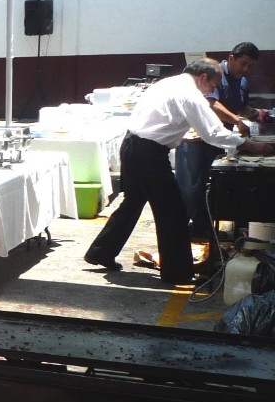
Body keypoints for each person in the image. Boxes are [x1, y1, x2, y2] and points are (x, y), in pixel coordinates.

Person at [86, 59, 271, 285]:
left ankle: (101, 252)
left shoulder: (168, 83)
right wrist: (250, 145)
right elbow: (213, 133)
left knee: (133, 202)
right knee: (172, 211)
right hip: (149, 153)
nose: (212, 91)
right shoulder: (190, 95)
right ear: (202, 78)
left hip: (133, 145)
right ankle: (177, 273)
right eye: (213, 85)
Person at [175, 43, 261, 237]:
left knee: (212, 186)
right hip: (198, 140)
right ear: (231, 58)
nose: (245, 69)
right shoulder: (215, 75)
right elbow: (211, 104)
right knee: (190, 188)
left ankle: (204, 227)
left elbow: (239, 106)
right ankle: (182, 230)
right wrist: (237, 121)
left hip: (221, 140)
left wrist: (251, 113)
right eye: (243, 63)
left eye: (250, 66)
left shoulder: (242, 81)